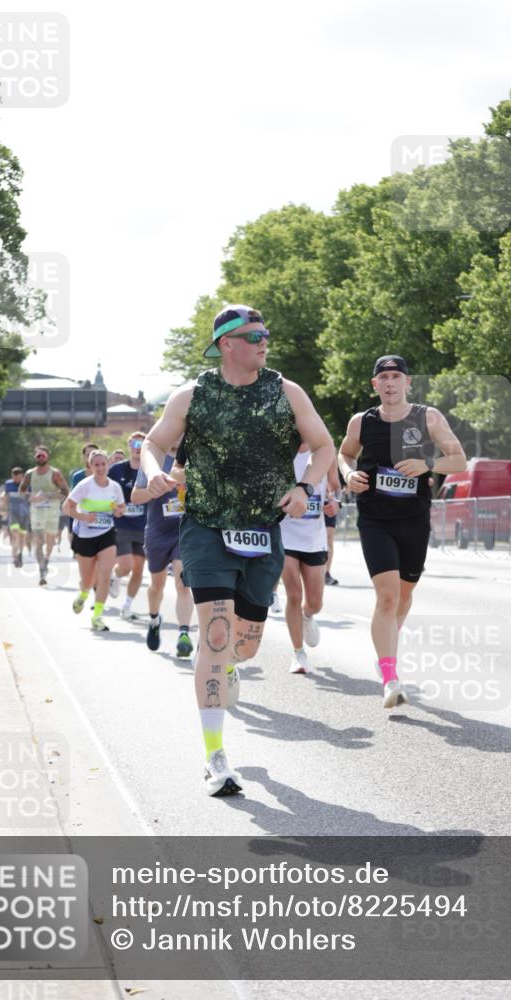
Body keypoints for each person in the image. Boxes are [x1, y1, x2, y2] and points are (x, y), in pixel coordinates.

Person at [141, 304, 335, 796]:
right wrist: (154, 471)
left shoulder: (286, 391)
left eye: (265, 334)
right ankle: (215, 756)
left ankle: (228, 663)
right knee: (216, 633)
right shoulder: (193, 395)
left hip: (262, 530)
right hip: (206, 527)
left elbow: (324, 446)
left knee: (243, 647)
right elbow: (153, 444)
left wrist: (305, 487)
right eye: (254, 336)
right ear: (226, 344)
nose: (264, 341)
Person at [338, 355, 466, 709]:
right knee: (387, 597)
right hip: (374, 518)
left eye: (396, 376)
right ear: (375, 384)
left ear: (408, 382)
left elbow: (458, 459)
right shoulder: (361, 421)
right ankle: (390, 677)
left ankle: (387, 646)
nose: (390, 383)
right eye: (384, 378)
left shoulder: (428, 417)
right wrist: (348, 474)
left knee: (404, 596)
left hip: (413, 519)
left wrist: (427, 464)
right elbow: (344, 454)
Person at [280, 446, 340, 674]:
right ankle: (298, 653)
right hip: (285, 534)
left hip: (314, 538)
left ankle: (307, 616)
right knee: (294, 594)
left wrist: (335, 502)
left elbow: (335, 487)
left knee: (315, 602)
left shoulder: (325, 451)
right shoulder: (282, 449)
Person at [131, 443, 194, 656]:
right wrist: (157, 488)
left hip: (183, 532)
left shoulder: (194, 459)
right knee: (157, 585)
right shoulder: (154, 460)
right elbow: (135, 497)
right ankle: (154, 619)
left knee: (182, 583)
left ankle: (183, 633)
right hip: (157, 531)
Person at [62, 449, 125, 631]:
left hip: (106, 534)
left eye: (103, 464)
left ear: (108, 465)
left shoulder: (114, 487)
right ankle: (83, 595)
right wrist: (83, 517)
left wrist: (119, 511)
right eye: (96, 465)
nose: (100, 468)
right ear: (90, 466)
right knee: (88, 581)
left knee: (104, 576)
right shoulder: (84, 485)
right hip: (85, 537)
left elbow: (122, 508)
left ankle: (97, 616)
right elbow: (66, 507)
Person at [108, 432, 147, 622]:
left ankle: (127, 606)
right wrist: (113, 508)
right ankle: (115, 576)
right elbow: (105, 491)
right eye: (134, 443)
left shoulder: (150, 470)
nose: (138, 447)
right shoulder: (116, 470)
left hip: (144, 525)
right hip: (121, 524)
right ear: (129, 445)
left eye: (142, 444)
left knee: (138, 569)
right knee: (126, 567)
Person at [19, 446, 69, 585]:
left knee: (50, 541)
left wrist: (47, 496)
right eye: (38, 456)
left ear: (47, 457)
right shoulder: (30, 474)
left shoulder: (55, 473)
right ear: (35, 457)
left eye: (43, 456)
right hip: (37, 512)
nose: (40, 458)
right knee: (39, 541)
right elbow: (21, 490)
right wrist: (30, 497)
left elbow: (65, 492)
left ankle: (46, 559)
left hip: (52, 512)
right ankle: (42, 569)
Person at [3, 467, 30, 567]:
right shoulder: (8, 484)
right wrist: (4, 506)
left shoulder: (27, 484)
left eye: (18, 478)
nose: (16, 480)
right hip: (13, 513)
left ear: (22, 476)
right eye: (14, 477)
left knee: (21, 537)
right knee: (15, 534)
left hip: (25, 513)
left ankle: (20, 554)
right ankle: (15, 557)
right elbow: (6, 497)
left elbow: (31, 497)